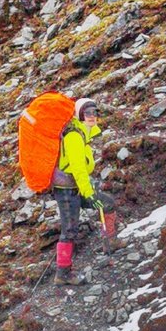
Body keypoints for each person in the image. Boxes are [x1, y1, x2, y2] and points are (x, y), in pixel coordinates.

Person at [52, 97, 115, 285]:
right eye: (87, 113)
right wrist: (90, 195)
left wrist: (88, 189)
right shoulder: (74, 136)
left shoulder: (82, 133)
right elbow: (78, 169)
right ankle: (62, 274)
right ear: (79, 115)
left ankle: (110, 241)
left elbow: (82, 170)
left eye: (95, 112)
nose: (92, 116)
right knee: (70, 229)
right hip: (66, 189)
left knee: (108, 203)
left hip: (77, 186)